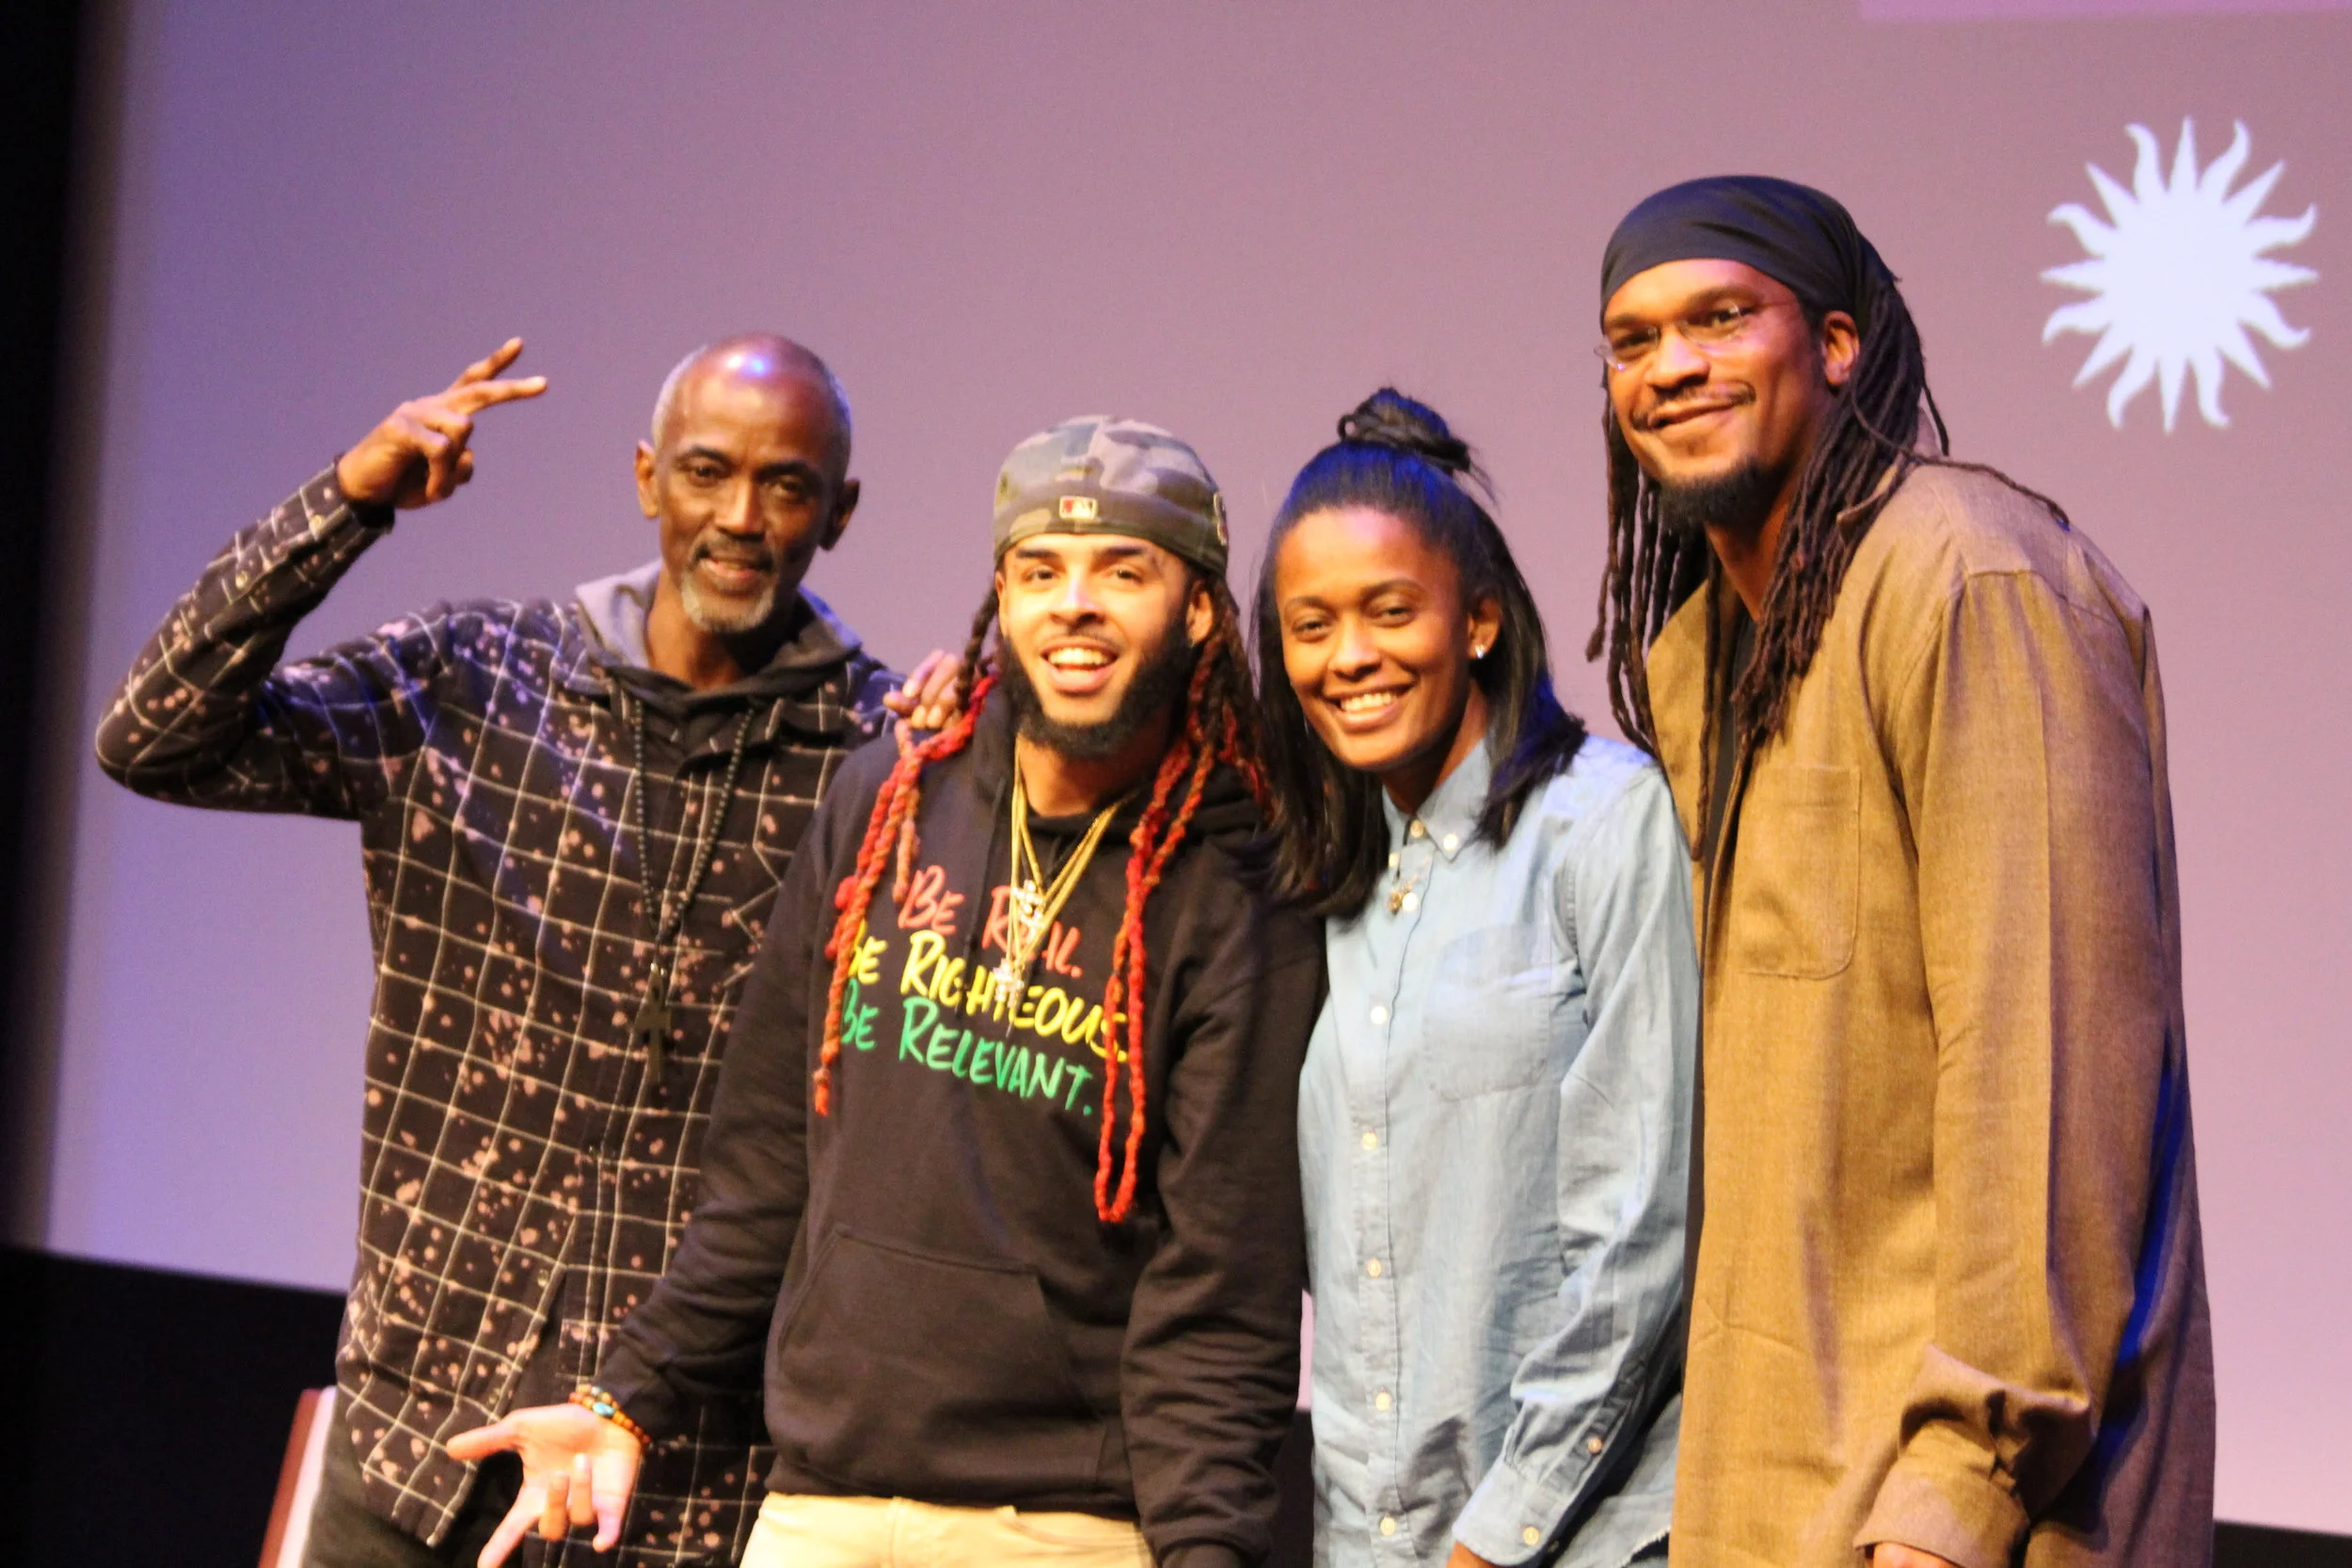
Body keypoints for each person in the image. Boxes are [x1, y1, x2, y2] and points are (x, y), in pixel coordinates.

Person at [95, 335, 960, 1567]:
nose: (739, 516)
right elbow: (155, 737)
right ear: (647, 476)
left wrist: (984, 785)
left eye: (786, 485)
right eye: (708, 471)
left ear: (840, 510)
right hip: (417, 1438)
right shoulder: (474, 680)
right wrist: (346, 502)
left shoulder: (882, 761)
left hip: (675, 1476)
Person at [451, 416, 1325, 1568]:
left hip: (1065, 1524)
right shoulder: (887, 798)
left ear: (1198, 608)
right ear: (1001, 597)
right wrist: (625, 1392)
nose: (1075, 604)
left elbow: (1219, 1294)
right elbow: (767, 1171)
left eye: (1124, 570)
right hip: (823, 1503)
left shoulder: (1234, 886)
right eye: (1040, 571)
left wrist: (1206, 1550)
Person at [1585, 176, 2215, 1567]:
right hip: (1782, 1485)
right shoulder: (1711, 652)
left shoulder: (1970, 576)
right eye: (1632, 340)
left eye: (1719, 318)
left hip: (1959, 1517)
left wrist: (1957, 1495)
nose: (1671, 366)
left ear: (1840, 341)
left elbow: (2039, 1075)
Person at [1253, 391, 1693, 1568]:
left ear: (1481, 620)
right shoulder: (1332, 883)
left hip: (1580, 1540)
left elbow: (1639, 1232)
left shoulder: (1604, 822)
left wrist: (1493, 1539)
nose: (1348, 656)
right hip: (1372, 1536)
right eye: (1311, 624)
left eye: (1390, 610)